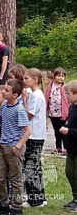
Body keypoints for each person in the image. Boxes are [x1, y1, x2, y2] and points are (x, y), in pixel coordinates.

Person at [0, 79, 31, 215]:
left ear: (15, 95)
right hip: (3, 146)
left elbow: (28, 131)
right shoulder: (4, 106)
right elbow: (3, 125)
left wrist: (18, 146)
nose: (3, 91)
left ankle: (16, 208)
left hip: (14, 149)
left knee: (15, 179)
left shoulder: (19, 109)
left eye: (6, 90)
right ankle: (3, 204)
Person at [22, 68, 47, 208]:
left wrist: (25, 100)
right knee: (35, 166)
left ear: (35, 80)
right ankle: (40, 196)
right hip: (36, 134)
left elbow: (28, 115)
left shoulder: (36, 95)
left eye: (26, 78)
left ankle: (34, 200)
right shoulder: (36, 94)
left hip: (34, 135)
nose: (24, 81)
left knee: (31, 166)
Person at [59, 80, 77, 212]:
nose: (66, 96)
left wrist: (69, 131)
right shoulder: (72, 108)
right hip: (71, 147)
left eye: (68, 94)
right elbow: (70, 123)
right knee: (69, 172)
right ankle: (75, 198)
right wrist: (65, 126)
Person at [45, 67, 69, 155]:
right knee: (56, 130)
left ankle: (66, 147)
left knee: (63, 131)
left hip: (62, 113)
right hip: (52, 113)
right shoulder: (50, 87)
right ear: (54, 76)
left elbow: (68, 99)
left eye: (62, 76)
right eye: (59, 76)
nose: (61, 78)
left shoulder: (65, 87)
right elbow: (47, 98)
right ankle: (58, 147)